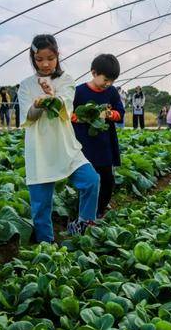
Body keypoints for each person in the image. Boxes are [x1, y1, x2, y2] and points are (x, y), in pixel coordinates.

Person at [18, 34, 100, 242]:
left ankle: (83, 226)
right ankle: (47, 247)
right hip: (39, 150)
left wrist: (51, 97)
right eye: (39, 59)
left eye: (50, 58)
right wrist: (38, 104)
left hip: (65, 145)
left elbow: (64, 109)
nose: (45, 64)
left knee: (91, 180)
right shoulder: (26, 85)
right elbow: (29, 117)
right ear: (33, 58)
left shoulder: (66, 80)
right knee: (40, 206)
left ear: (58, 56)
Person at [72, 54, 124, 219]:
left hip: (104, 143)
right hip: (84, 144)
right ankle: (84, 213)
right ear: (94, 73)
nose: (108, 84)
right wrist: (81, 118)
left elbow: (120, 113)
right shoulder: (79, 92)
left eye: (112, 81)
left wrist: (108, 114)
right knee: (88, 179)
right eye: (106, 79)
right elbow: (68, 114)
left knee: (107, 179)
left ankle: (100, 210)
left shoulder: (111, 92)